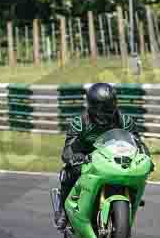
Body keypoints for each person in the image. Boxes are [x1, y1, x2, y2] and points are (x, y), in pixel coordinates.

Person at [54, 82, 150, 230]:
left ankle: (130, 203)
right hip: (87, 160)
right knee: (68, 172)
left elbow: (138, 143)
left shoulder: (125, 121)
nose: (105, 111)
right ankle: (64, 212)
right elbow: (68, 148)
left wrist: (146, 157)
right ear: (91, 106)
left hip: (114, 159)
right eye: (101, 107)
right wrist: (75, 156)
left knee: (138, 172)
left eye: (109, 106)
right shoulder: (80, 123)